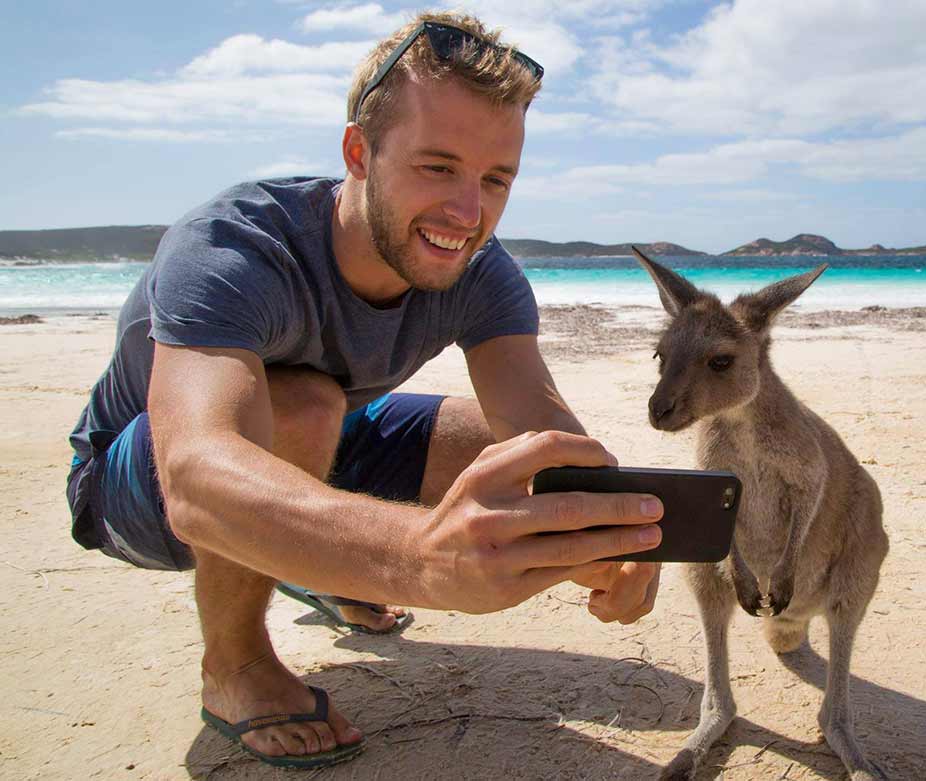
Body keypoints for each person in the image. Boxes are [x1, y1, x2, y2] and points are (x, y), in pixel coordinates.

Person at [65, 11, 663, 770]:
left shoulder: (483, 272)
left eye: (494, 179)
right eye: (437, 166)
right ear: (360, 151)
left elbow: (535, 425)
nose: (468, 213)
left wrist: (609, 529)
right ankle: (236, 666)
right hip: (132, 487)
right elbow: (194, 476)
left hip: (311, 447)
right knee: (305, 403)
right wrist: (418, 557)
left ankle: (315, 562)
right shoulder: (233, 246)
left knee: (504, 451)